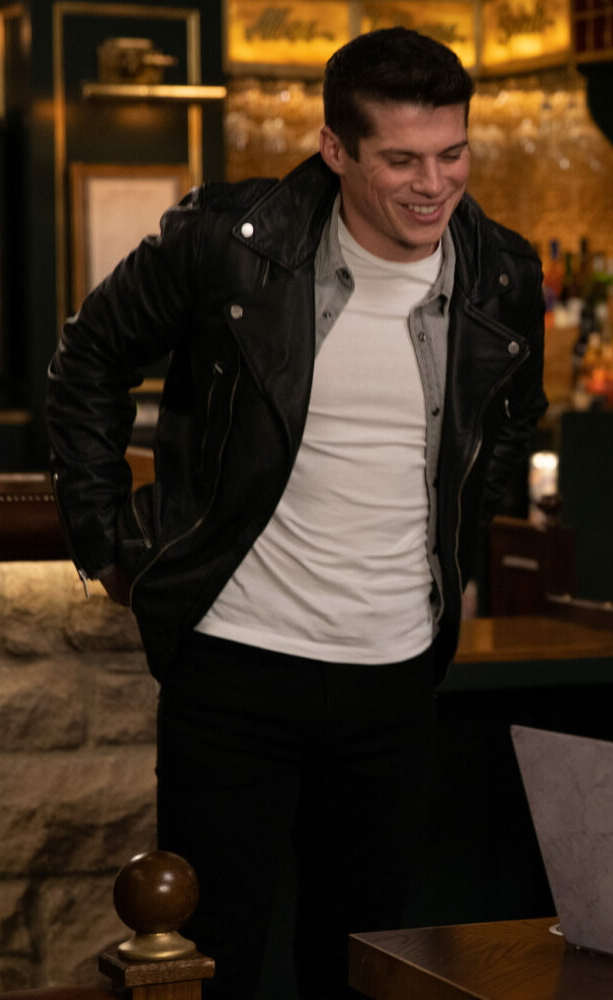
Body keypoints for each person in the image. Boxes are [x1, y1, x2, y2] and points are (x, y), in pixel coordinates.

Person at [46, 28, 545, 999]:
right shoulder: (226, 243)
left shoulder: (502, 273)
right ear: (336, 149)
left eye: (452, 153)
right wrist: (102, 539)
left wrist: (458, 549)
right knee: (212, 962)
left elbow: (513, 420)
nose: (433, 185)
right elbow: (87, 360)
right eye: (401, 159)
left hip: (396, 678)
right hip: (235, 665)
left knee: (360, 969)